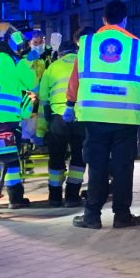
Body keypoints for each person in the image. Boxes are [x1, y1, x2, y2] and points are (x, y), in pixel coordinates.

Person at [65, 0, 140, 230]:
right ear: (125, 19)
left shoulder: (87, 44)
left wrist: (69, 104)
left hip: (94, 115)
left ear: (103, 20)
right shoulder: (135, 46)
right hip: (126, 119)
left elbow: (75, 78)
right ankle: (122, 215)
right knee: (123, 166)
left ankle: (92, 216)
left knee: (96, 166)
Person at [0, 27, 38, 213]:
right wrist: (28, 62)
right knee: (12, 158)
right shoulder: (14, 61)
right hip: (10, 117)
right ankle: (15, 197)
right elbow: (33, 83)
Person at [39, 41, 86, 207]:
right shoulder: (84, 63)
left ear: (60, 54)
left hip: (58, 119)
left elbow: (43, 98)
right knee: (79, 157)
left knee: (56, 157)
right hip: (80, 117)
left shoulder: (52, 67)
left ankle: (55, 197)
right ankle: (73, 196)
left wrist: (41, 130)